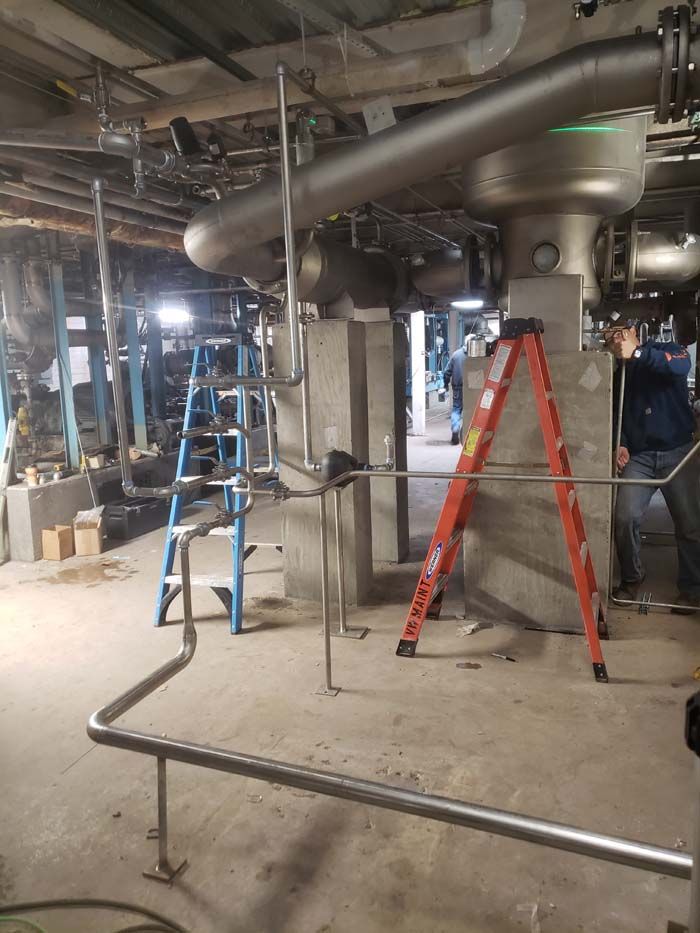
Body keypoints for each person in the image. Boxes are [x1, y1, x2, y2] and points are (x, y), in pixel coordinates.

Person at [606, 322, 700, 613]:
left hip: (677, 451)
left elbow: (679, 367)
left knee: (689, 524)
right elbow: (614, 411)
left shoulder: (665, 351)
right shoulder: (619, 373)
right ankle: (632, 577)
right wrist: (619, 442)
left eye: (621, 332)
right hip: (641, 457)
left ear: (635, 332)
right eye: (610, 337)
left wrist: (636, 354)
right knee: (624, 517)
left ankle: (692, 587)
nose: (617, 339)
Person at [443, 339, 469, 445]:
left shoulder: (456, 355)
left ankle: (455, 429)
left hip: (458, 387)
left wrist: (445, 384)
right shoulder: (477, 355)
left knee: (456, 409)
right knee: (473, 410)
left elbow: (446, 372)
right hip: (473, 388)